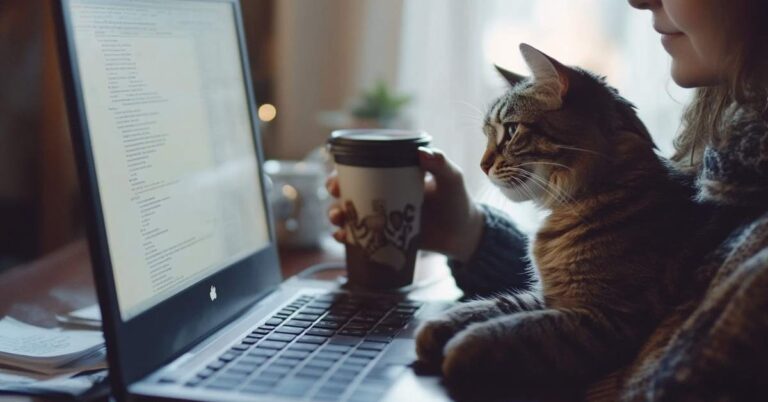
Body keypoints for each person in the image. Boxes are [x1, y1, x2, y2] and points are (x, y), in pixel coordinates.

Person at [326, 0, 768, 399]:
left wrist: (485, 351)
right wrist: (471, 236)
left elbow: (615, 333)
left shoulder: (755, 267)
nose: (636, 0)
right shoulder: (727, 176)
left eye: (510, 135)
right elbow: (599, 288)